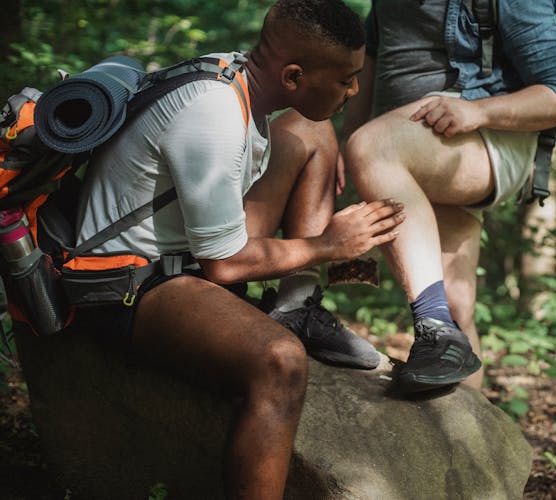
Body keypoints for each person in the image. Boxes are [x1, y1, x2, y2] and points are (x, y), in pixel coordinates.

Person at [72, 1, 404, 498]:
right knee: (281, 361)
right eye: (346, 79)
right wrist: (327, 245)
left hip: (181, 255)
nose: (355, 90)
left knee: (313, 129)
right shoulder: (215, 116)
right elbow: (224, 265)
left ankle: (298, 305)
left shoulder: (237, 78)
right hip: (126, 280)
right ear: (293, 76)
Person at [340, 0, 556, 394]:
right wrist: (345, 148)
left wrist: (479, 112)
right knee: (457, 306)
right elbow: (370, 65)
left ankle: (434, 329)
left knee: (372, 147)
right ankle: (477, 446)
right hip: (413, 145)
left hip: (482, 139)